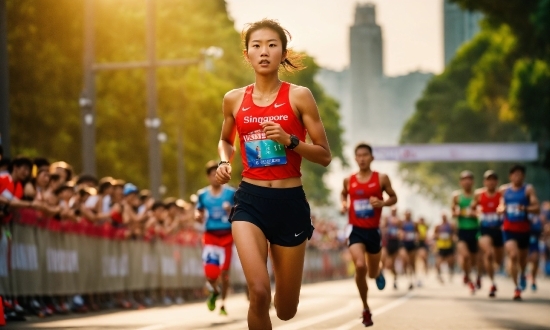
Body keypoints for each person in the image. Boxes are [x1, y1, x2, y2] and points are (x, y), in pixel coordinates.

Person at [215, 18, 332, 330]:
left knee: (285, 310)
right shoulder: (234, 99)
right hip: (250, 200)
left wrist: (291, 141)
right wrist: (225, 161)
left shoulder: (299, 96)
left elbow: (324, 155)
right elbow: (226, 139)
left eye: (271, 45)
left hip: (290, 203)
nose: (264, 51)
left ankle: (285, 302)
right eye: (256, 45)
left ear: (283, 53)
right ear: (247, 54)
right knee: (259, 291)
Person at [341, 143, 397, 327]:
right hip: (355, 229)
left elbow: (393, 197)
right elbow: (343, 195)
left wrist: (383, 204)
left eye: (366, 155)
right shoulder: (349, 180)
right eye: (359, 155)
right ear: (355, 158)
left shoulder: (381, 178)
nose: (362, 158)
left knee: (372, 274)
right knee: (359, 265)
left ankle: (378, 271)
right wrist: (344, 204)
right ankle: (365, 308)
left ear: (372, 157)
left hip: (373, 231)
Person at [195, 161, 236, 316]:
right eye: (212, 174)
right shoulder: (202, 195)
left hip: (226, 236)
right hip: (211, 236)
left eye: (217, 174)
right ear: (208, 177)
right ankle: (215, 291)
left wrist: (231, 209)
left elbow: (240, 211)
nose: (215, 177)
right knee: (211, 273)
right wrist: (197, 216)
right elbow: (197, 212)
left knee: (224, 273)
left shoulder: (231, 193)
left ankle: (223, 304)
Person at [499, 165, 540, 301]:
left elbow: (536, 208)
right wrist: (501, 209)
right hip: (509, 229)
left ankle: (523, 273)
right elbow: (500, 205)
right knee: (513, 255)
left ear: (523, 176)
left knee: (522, 260)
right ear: (510, 176)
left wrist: (525, 208)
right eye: (514, 174)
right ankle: (516, 288)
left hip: (524, 230)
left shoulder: (528, 189)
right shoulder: (504, 190)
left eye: (520, 174)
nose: (517, 177)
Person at [472, 170, 503, 298]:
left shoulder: (501, 194)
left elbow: (503, 205)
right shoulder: (479, 194)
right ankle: (492, 282)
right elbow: (472, 208)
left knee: (497, 260)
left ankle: (481, 275)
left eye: (493, 179)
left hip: (498, 230)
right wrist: (478, 213)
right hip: (484, 230)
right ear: (484, 182)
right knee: (488, 254)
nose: (491, 182)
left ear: (497, 182)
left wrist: (501, 209)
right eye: (488, 179)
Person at [452, 170, 480, 294]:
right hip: (462, 231)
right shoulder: (456, 196)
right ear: (460, 182)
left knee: (473, 261)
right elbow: (453, 213)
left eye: (469, 179)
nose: (467, 181)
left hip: (475, 231)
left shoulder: (477, 196)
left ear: (473, 182)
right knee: (466, 256)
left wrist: (472, 213)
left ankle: (469, 274)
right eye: (464, 179)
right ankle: (469, 279)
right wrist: (460, 212)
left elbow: (479, 213)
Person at [381, 206, 401, 289]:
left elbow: (401, 230)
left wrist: (399, 233)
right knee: (383, 258)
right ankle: (380, 274)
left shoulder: (399, 220)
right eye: (392, 210)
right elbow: (383, 227)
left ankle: (395, 280)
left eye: (395, 210)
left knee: (392, 265)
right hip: (387, 242)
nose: (394, 212)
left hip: (395, 243)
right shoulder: (387, 218)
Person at [434, 213, 456, 283]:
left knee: (450, 262)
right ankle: (439, 275)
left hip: (449, 246)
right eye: (442, 216)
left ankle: (451, 273)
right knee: (438, 262)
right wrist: (438, 236)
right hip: (441, 247)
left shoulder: (451, 225)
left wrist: (452, 237)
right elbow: (434, 235)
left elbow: (454, 234)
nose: (444, 218)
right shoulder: (438, 226)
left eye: (445, 216)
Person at [399, 210, 418, 290]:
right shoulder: (401, 222)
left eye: (409, 214)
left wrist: (417, 238)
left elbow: (417, 232)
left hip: (412, 244)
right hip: (404, 244)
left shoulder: (414, 223)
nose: (408, 215)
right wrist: (401, 234)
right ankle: (406, 275)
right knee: (404, 259)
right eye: (406, 214)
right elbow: (399, 231)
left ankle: (412, 279)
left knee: (412, 263)